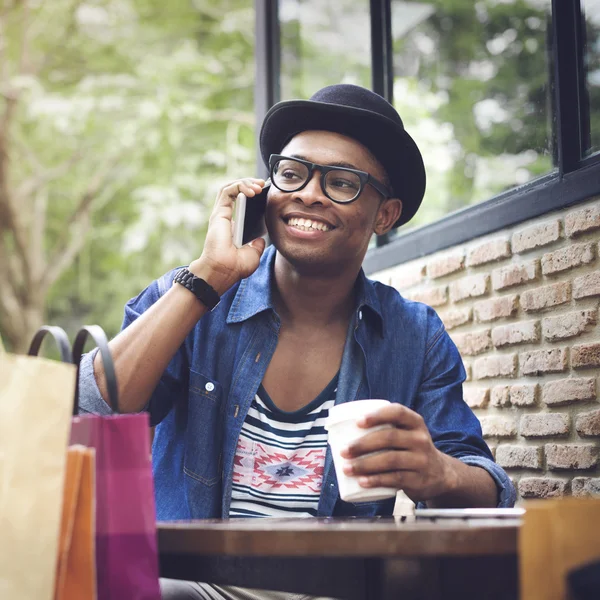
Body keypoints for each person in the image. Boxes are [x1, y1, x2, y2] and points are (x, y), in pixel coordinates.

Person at [79, 84, 516, 599]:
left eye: (342, 183)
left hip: (339, 588)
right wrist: (209, 276)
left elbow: (490, 495)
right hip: (189, 585)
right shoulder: (194, 297)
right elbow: (92, 413)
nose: (308, 193)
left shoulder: (414, 335)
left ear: (385, 215)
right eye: (292, 173)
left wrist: (437, 472)